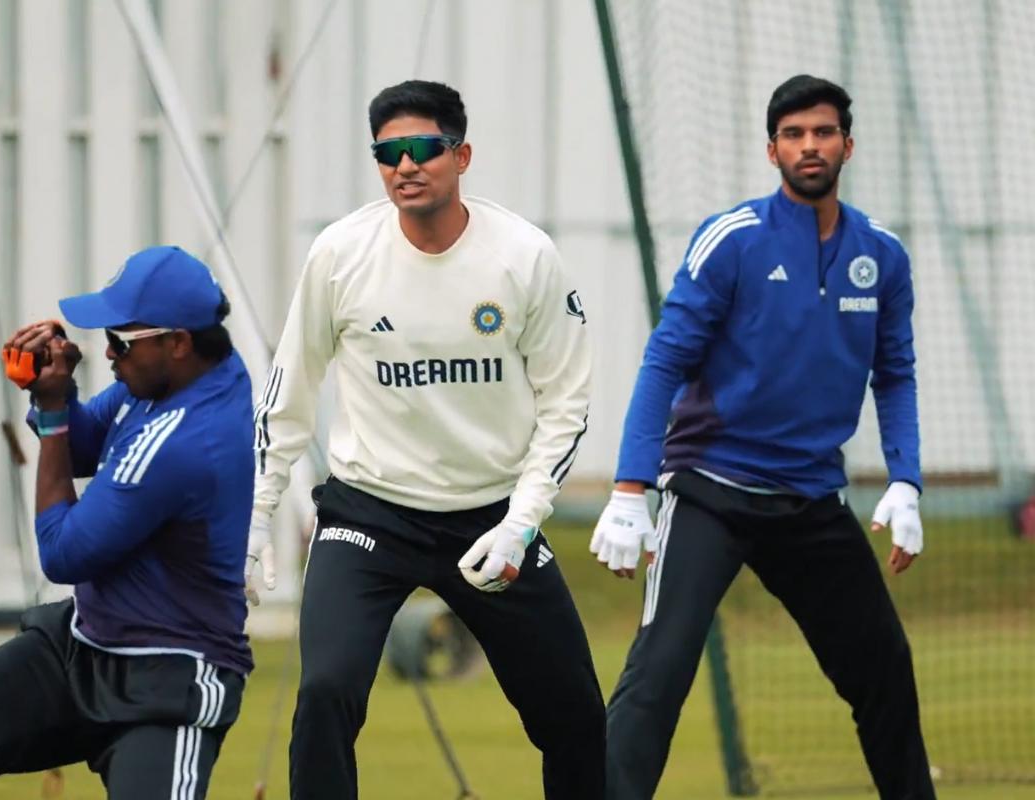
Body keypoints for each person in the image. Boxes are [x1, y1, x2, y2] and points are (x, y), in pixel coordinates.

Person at [245, 79, 604, 799]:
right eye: (388, 153)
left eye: (423, 149)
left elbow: (566, 403)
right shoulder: (341, 254)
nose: (405, 166)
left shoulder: (523, 256)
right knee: (325, 692)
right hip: (369, 513)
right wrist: (256, 512)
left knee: (575, 716)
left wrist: (523, 521)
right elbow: (289, 394)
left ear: (461, 155)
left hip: (492, 520)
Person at [591, 75, 935, 800]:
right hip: (710, 492)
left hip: (812, 501)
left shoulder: (884, 254)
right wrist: (630, 488)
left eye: (823, 132)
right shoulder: (732, 240)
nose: (810, 146)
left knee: (885, 673)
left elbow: (895, 374)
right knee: (660, 673)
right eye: (794, 134)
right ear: (772, 149)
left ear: (848, 143)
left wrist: (905, 479)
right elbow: (664, 362)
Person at [0, 246, 255, 799]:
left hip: (171, 675)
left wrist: (53, 415)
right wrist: (49, 392)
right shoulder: (169, 379)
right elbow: (81, 449)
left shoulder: (185, 441)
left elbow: (62, 552)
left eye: (123, 341)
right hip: (81, 645)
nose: (106, 351)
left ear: (177, 343)